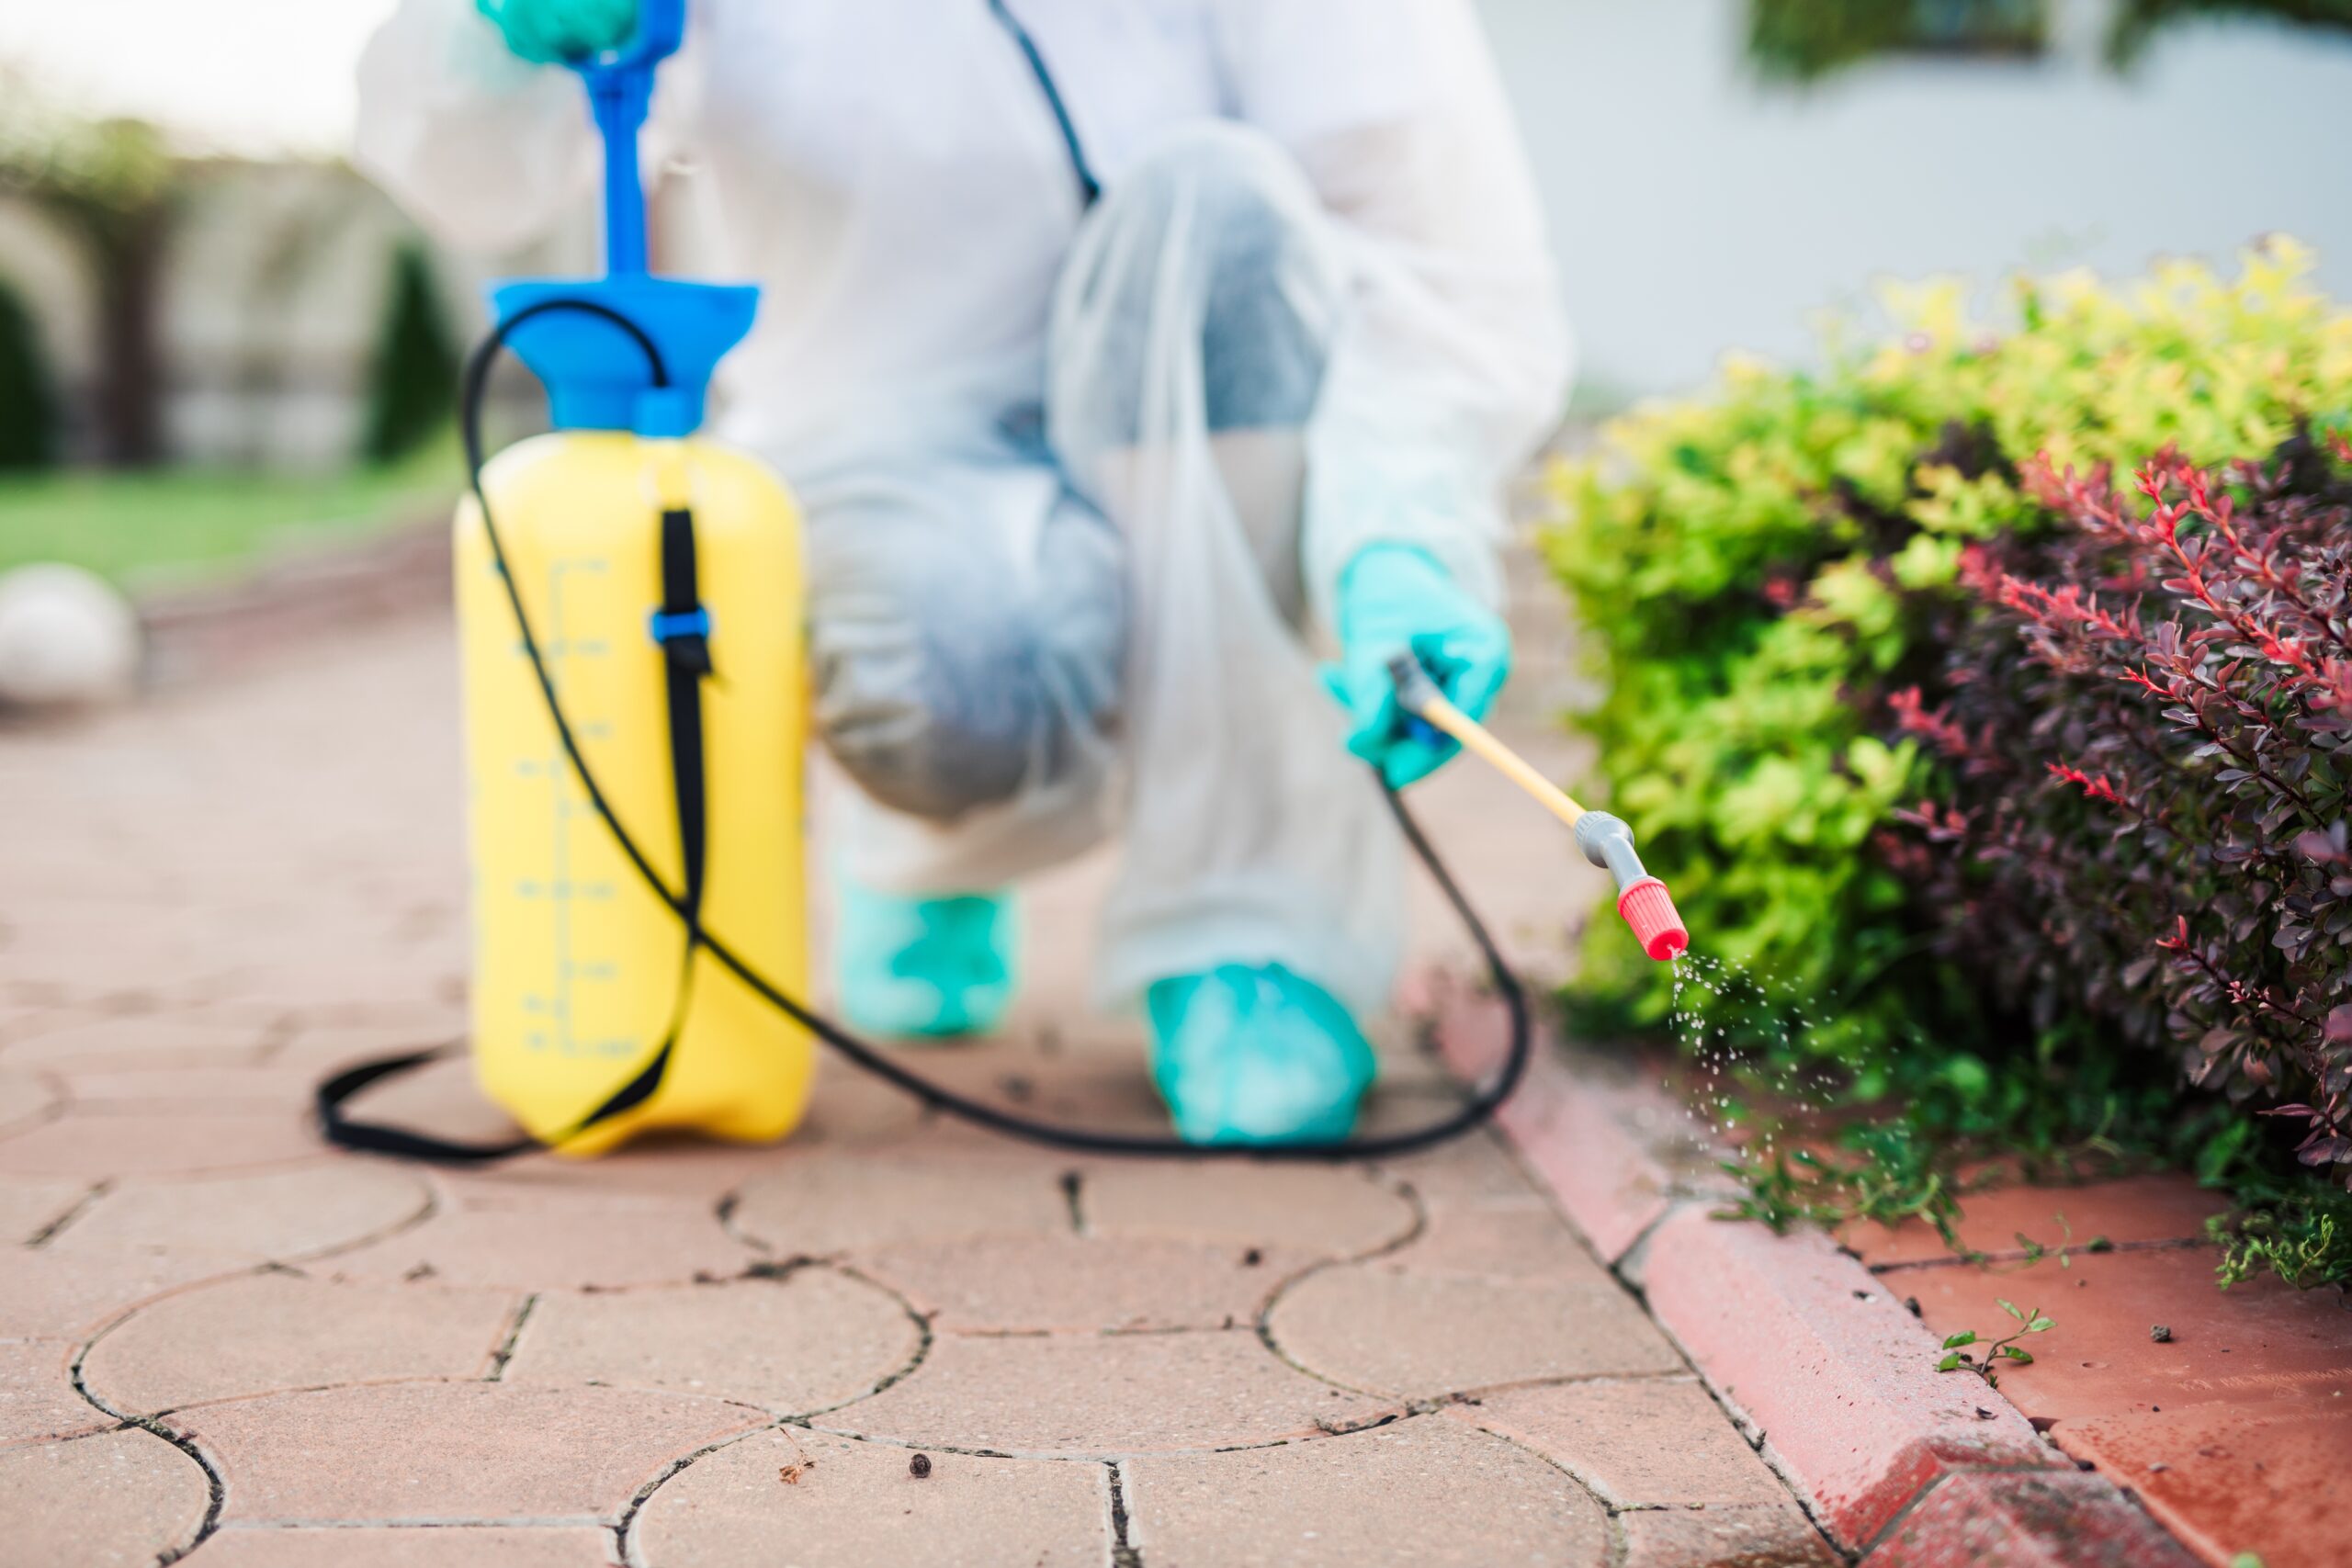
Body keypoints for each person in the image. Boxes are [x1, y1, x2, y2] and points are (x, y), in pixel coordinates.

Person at [356, 0, 1571, 1145]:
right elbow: (471, 170)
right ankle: (915, 844)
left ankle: (1245, 928)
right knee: (961, 672)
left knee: (1227, 202)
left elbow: (1422, 235)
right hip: (882, 433)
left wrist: (1405, 530)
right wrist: (491, 41)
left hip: (1194, 409)